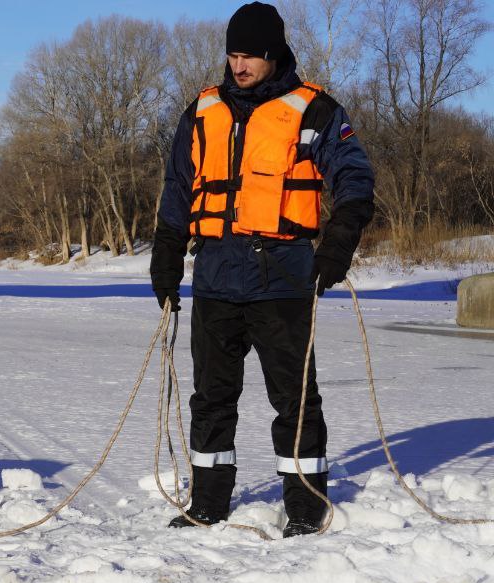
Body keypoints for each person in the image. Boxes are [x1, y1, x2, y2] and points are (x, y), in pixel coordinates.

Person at [150, 2, 375, 537]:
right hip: (215, 279)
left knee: (294, 399)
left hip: (284, 279)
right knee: (211, 399)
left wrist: (336, 248)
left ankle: (305, 504)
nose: (238, 65)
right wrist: (165, 255)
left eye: (249, 55)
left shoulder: (314, 110)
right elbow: (179, 190)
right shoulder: (202, 111)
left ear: (273, 54)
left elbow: (355, 183)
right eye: (232, 54)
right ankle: (207, 504)